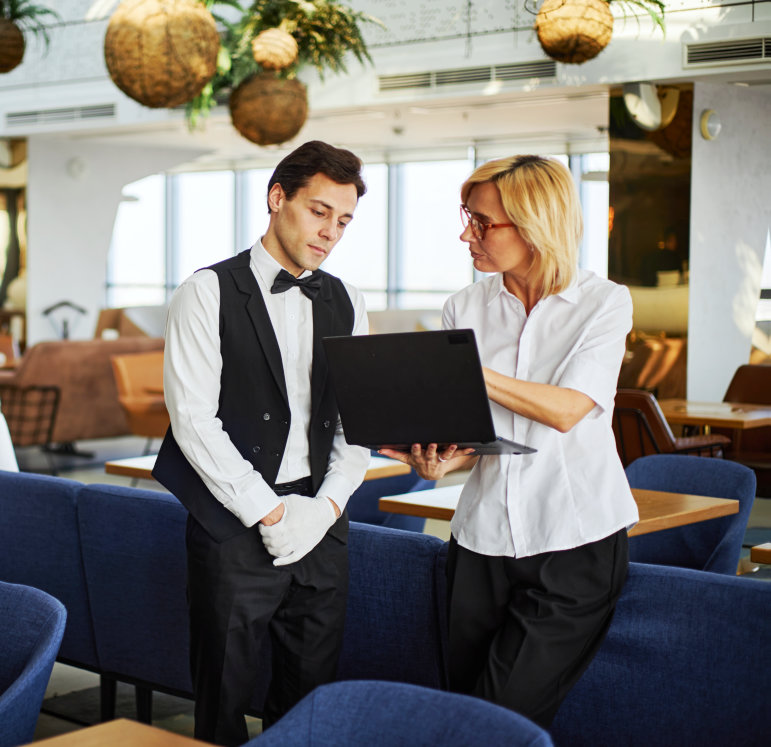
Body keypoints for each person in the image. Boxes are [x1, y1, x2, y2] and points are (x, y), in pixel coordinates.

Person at [380, 154, 639, 728]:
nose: (465, 234)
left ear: (534, 224)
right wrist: (440, 458)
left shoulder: (603, 303)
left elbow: (568, 409)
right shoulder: (464, 307)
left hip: (574, 541)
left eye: (481, 222)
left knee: (498, 715)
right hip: (479, 541)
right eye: (466, 217)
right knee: (468, 705)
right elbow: (476, 429)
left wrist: (466, 367)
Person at [152, 140, 370, 746]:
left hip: (323, 522)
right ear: (278, 199)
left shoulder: (346, 300)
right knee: (222, 697)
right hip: (233, 518)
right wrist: (270, 510)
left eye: (344, 221)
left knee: (310, 695)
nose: (331, 232)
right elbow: (193, 420)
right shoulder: (207, 291)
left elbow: (358, 427)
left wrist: (323, 509)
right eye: (320, 211)